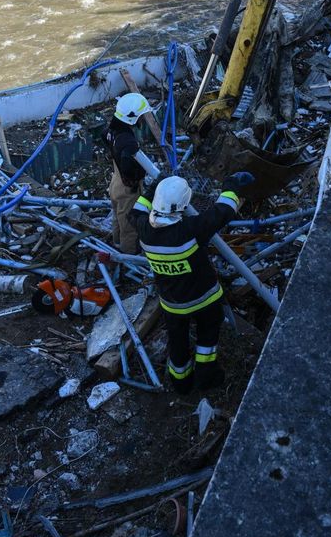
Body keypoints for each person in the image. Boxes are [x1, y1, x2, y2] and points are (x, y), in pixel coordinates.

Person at [131, 172, 253, 394]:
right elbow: (223, 211)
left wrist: (153, 189)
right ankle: (207, 377)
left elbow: (136, 210)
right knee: (208, 337)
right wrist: (231, 184)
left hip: (172, 304)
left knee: (177, 342)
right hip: (204, 298)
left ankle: (181, 383)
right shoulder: (190, 229)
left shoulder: (143, 228)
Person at [106, 92, 152, 254]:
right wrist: (140, 175)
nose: (142, 119)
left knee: (118, 218)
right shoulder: (128, 141)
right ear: (132, 118)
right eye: (140, 116)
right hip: (127, 189)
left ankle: (116, 244)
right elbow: (129, 168)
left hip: (115, 182)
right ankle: (128, 258)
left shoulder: (112, 131)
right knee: (130, 227)